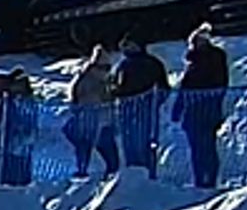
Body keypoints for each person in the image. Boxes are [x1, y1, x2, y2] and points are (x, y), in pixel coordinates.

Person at [175, 26, 229, 189]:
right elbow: (184, 88)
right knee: (199, 147)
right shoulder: (194, 62)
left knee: (206, 146)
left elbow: (219, 81)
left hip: (204, 108)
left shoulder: (211, 59)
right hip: (197, 110)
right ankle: (201, 178)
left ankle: (208, 179)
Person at [111, 36, 171, 172]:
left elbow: (163, 86)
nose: (127, 49)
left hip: (146, 107)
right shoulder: (121, 65)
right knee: (129, 140)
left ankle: (147, 170)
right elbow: (114, 86)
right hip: (126, 108)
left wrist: (156, 101)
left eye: (130, 45)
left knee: (146, 139)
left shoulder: (151, 63)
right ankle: (133, 169)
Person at [66, 47, 118, 176]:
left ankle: (102, 174)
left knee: (106, 154)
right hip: (91, 121)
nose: (107, 71)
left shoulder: (100, 80)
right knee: (89, 149)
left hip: (101, 121)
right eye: (105, 68)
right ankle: (83, 174)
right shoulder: (88, 81)